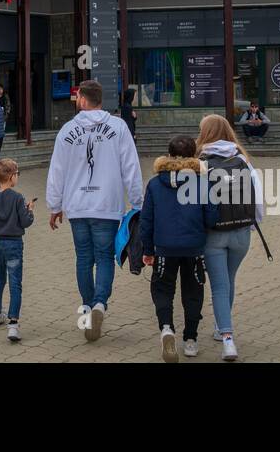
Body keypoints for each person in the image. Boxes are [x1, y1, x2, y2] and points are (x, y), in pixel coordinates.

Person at [45, 78, 143, 342]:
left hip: (77, 206)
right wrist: (137, 201)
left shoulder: (67, 130)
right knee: (104, 257)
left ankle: (88, 307)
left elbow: (57, 171)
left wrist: (55, 205)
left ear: (84, 100)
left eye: (78, 97)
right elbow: (131, 167)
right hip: (107, 205)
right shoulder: (119, 127)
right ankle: (100, 303)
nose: (76, 100)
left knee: (83, 258)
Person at [140, 134, 218, 362]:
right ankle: (191, 340)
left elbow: (147, 220)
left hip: (164, 247)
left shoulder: (155, 184)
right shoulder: (202, 182)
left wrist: (147, 249)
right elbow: (211, 218)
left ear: (168, 154)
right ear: (194, 155)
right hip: (194, 247)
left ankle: (166, 329)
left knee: (163, 289)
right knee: (193, 291)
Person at [196, 114, 265, 361]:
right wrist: (252, 226)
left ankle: (227, 338)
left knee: (219, 285)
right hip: (241, 233)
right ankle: (219, 327)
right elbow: (257, 197)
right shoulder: (241, 159)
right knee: (229, 279)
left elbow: (195, 201)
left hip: (214, 234)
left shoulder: (200, 161)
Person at [0, 158, 34, 343]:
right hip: (14, 244)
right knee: (15, 282)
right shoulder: (18, 198)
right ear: (12, 176)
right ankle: (13, 323)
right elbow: (26, 222)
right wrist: (30, 211)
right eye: (17, 174)